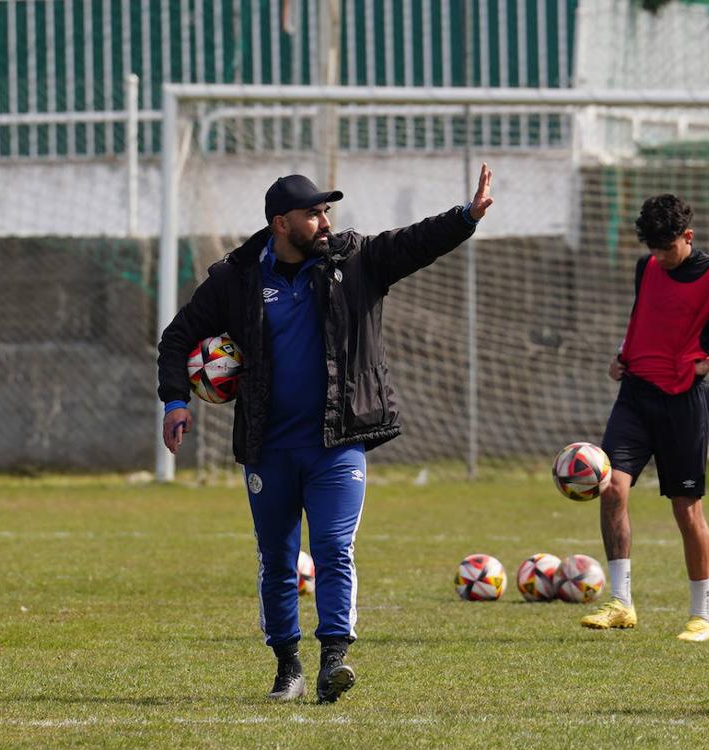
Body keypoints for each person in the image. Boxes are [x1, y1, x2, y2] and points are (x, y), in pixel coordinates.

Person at [157, 166, 494, 703]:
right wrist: (176, 400)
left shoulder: (353, 260)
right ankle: (287, 667)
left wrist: (465, 216)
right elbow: (176, 339)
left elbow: (413, 244)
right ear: (280, 223)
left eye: (326, 211)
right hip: (268, 446)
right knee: (277, 557)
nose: (324, 221)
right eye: (313, 213)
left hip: (338, 441)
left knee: (335, 549)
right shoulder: (237, 277)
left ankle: (333, 661)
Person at [582, 194, 709, 641]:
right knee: (612, 488)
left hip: (683, 403)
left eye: (666, 248)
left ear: (687, 237)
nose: (660, 258)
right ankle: (621, 604)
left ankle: (702, 616)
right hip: (634, 396)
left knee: (686, 510)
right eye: (653, 248)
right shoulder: (646, 267)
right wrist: (621, 355)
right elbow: (645, 318)